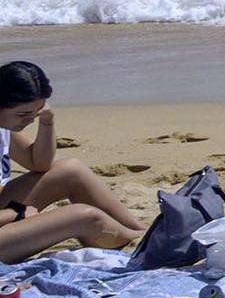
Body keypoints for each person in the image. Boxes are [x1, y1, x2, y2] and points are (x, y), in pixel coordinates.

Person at [0, 61, 148, 264]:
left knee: (71, 170)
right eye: (23, 114)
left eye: (36, 111)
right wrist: (16, 213)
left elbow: (38, 163)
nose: (30, 119)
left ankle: (143, 234)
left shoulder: (4, 125)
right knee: (84, 217)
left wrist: (46, 122)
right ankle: (143, 249)